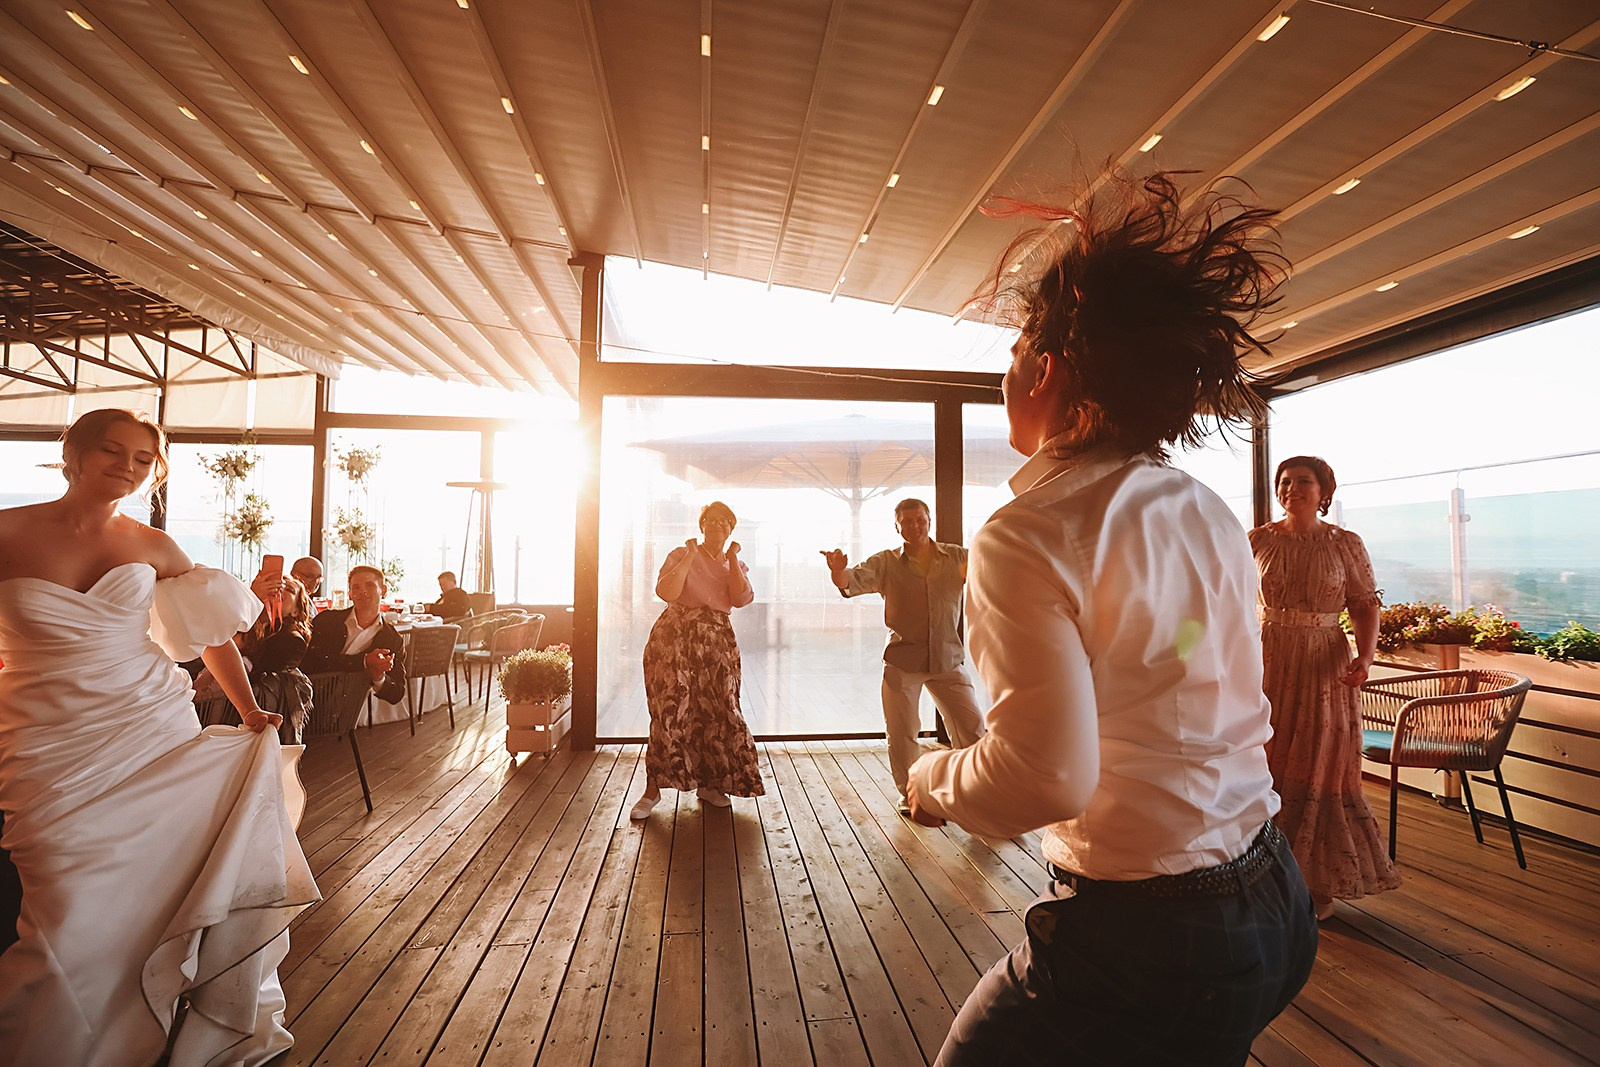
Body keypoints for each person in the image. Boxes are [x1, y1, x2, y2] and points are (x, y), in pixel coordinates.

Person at [906, 170, 1318, 1065]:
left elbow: (1044, 778)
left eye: (1015, 351)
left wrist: (930, 776)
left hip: (1153, 943)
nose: (1005, 372)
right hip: (1275, 898)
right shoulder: (1205, 508)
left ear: (1047, 370)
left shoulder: (1028, 533)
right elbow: (1186, 655)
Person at [0, 408, 318, 1066]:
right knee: (64, 899)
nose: (127, 466)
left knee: (155, 889)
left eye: (143, 459)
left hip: (151, 726)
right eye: (111, 451)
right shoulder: (6, 531)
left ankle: (154, 1030)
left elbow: (210, 634)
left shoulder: (154, 546)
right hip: (45, 738)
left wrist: (250, 709)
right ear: (74, 453)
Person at [1251, 456, 1400, 922]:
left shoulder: (1344, 543)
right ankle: (1261, 878)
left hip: (1324, 664)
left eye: (1303, 481)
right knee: (1264, 760)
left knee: (1317, 766)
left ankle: (1316, 884)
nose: (1291, 488)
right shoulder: (1256, 540)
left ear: (1324, 492)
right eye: (1284, 481)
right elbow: (1226, 599)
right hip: (1267, 659)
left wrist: (1366, 657)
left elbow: (1364, 604)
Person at [822, 498, 986, 812]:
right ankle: (911, 797)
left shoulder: (956, 557)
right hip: (903, 662)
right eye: (907, 521)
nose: (915, 526)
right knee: (902, 735)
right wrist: (838, 571)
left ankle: (977, 792)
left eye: (920, 520)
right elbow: (850, 582)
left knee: (972, 729)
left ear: (929, 521)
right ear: (897, 527)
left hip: (948, 660)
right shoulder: (886, 562)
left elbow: (992, 571)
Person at [629, 501, 764, 820]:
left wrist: (732, 557)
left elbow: (741, 598)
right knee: (669, 712)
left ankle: (710, 784)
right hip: (673, 638)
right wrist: (690, 555)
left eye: (723, 521)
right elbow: (667, 591)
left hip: (716, 643)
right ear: (701, 526)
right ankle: (652, 790)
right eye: (710, 520)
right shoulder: (681, 554)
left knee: (718, 711)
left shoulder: (735, 563)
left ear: (731, 528)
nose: (716, 525)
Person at [301, 564, 407, 706]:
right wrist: (363, 661)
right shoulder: (327, 620)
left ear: (383, 590)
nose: (363, 591)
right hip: (306, 699)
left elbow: (397, 693)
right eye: (356, 587)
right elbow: (310, 660)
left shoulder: (392, 639)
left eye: (369, 585)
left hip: (348, 710)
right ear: (350, 594)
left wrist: (378, 677)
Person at [239, 576, 316, 745]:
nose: (281, 590)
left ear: (295, 611)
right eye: (279, 586)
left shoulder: (291, 640)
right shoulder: (252, 624)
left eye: (289, 590)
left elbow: (255, 671)